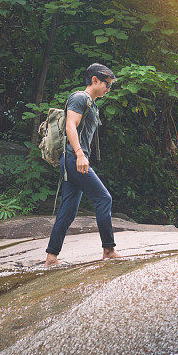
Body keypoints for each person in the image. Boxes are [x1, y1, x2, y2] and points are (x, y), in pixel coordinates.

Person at [44, 63, 120, 267]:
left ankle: (51, 257)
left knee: (68, 210)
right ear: (94, 80)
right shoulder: (79, 98)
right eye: (107, 84)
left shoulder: (92, 104)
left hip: (73, 160)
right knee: (104, 199)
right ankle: (109, 250)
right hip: (73, 158)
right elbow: (71, 125)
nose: (108, 89)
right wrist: (79, 154)